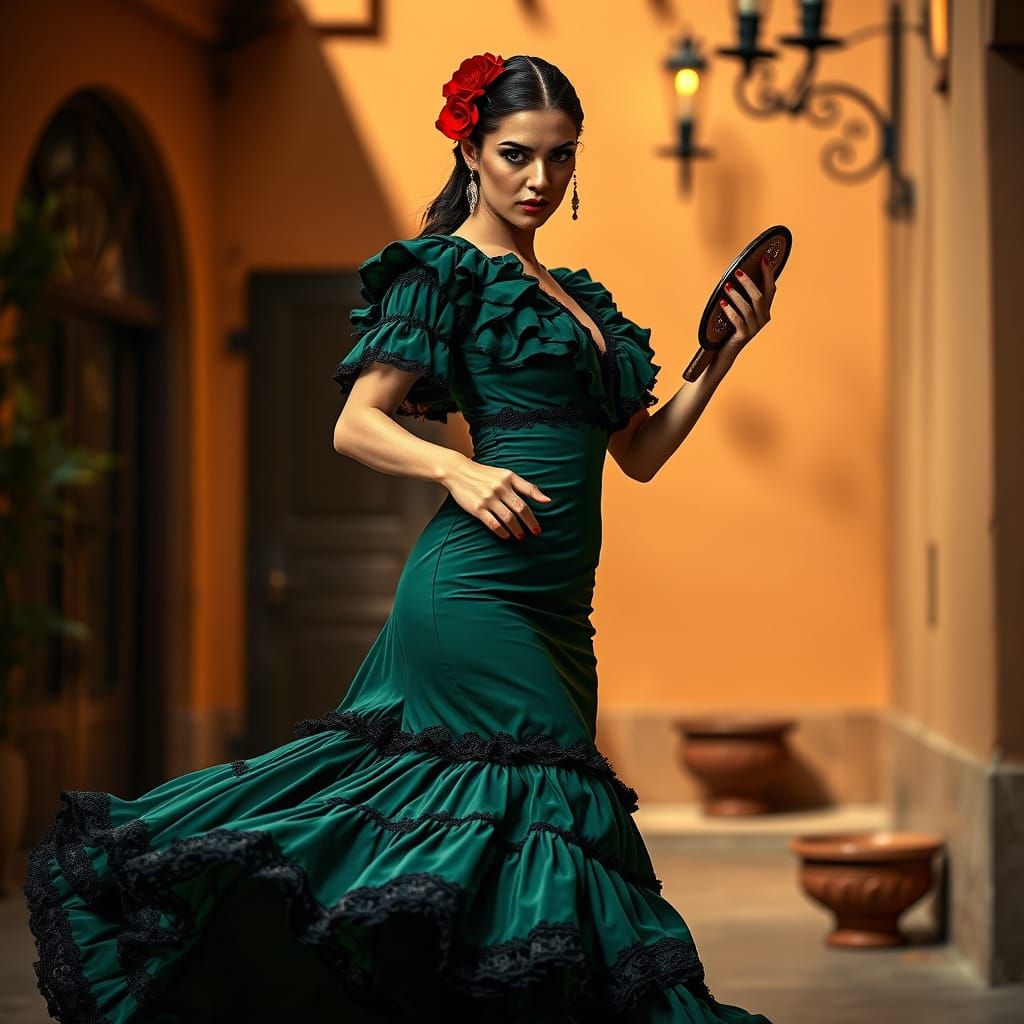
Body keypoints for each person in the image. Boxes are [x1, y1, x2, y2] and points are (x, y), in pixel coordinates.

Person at [23, 52, 777, 1023]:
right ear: (469, 148)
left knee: (494, 849)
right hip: (472, 598)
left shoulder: (577, 297)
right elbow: (357, 422)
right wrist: (455, 468)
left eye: (559, 157)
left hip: (557, 615)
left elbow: (636, 454)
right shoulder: (443, 272)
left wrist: (717, 358)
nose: (538, 179)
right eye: (515, 154)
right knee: (551, 819)